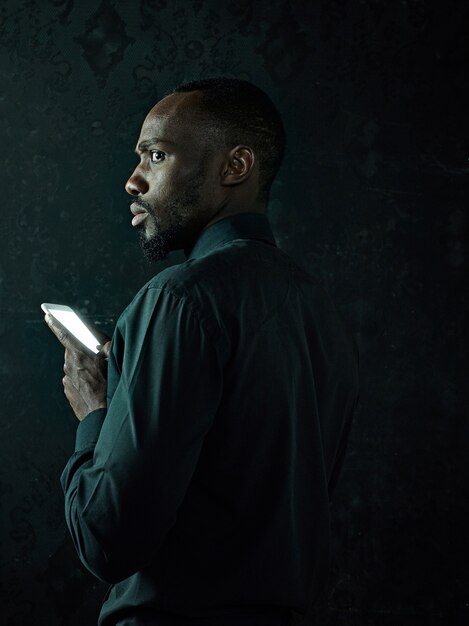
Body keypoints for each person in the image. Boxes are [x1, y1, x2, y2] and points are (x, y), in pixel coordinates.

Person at [45, 77, 359, 626]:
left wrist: (95, 409)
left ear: (235, 167)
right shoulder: (320, 310)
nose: (132, 181)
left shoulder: (177, 298)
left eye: (157, 155)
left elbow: (106, 542)